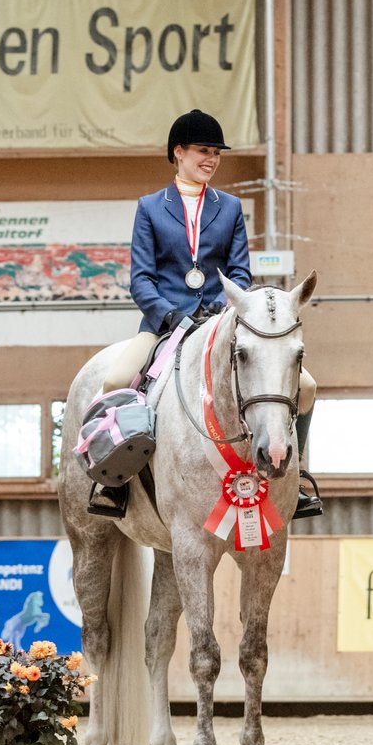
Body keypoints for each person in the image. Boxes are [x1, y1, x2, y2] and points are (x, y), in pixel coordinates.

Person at [92, 109, 321, 520]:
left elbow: (239, 273)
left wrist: (221, 311)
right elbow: (142, 281)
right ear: (178, 152)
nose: (211, 159)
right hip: (164, 324)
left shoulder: (230, 208)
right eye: (202, 151)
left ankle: (297, 478)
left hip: (219, 320)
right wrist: (171, 318)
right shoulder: (149, 208)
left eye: (216, 153)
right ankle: (112, 485)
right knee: (113, 379)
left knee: (305, 387)